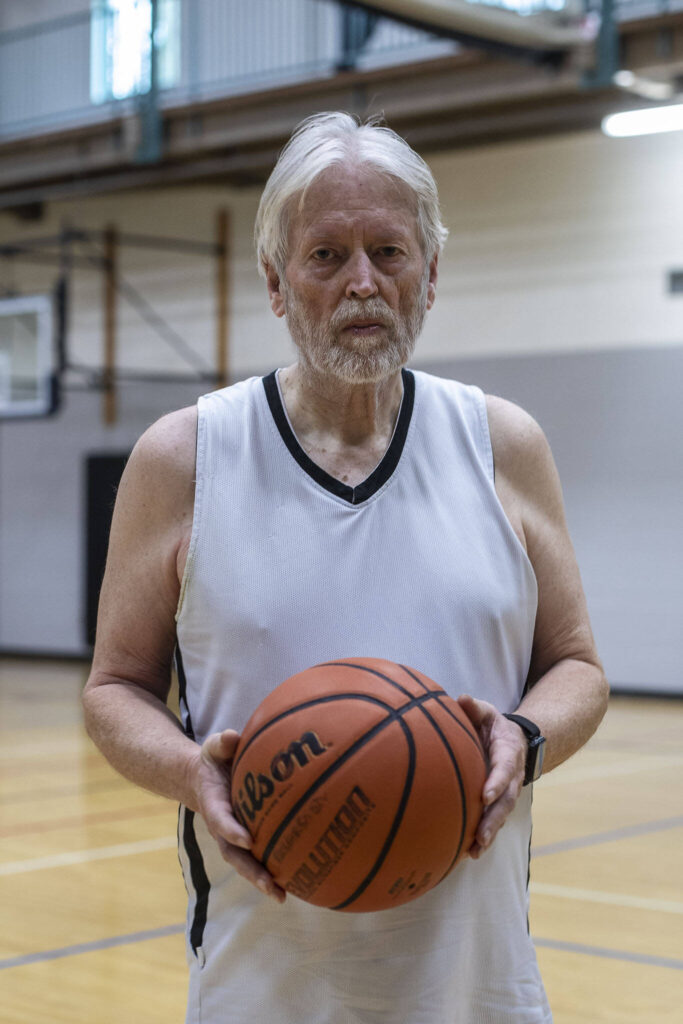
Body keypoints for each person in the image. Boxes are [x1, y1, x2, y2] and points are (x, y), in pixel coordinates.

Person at [83, 111, 608, 1023]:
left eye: (389, 252)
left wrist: (519, 741)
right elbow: (114, 687)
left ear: (431, 274)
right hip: (265, 981)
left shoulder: (502, 445)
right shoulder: (185, 458)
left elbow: (578, 668)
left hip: (475, 982)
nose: (361, 282)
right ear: (277, 283)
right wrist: (188, 771)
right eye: (325, 256)